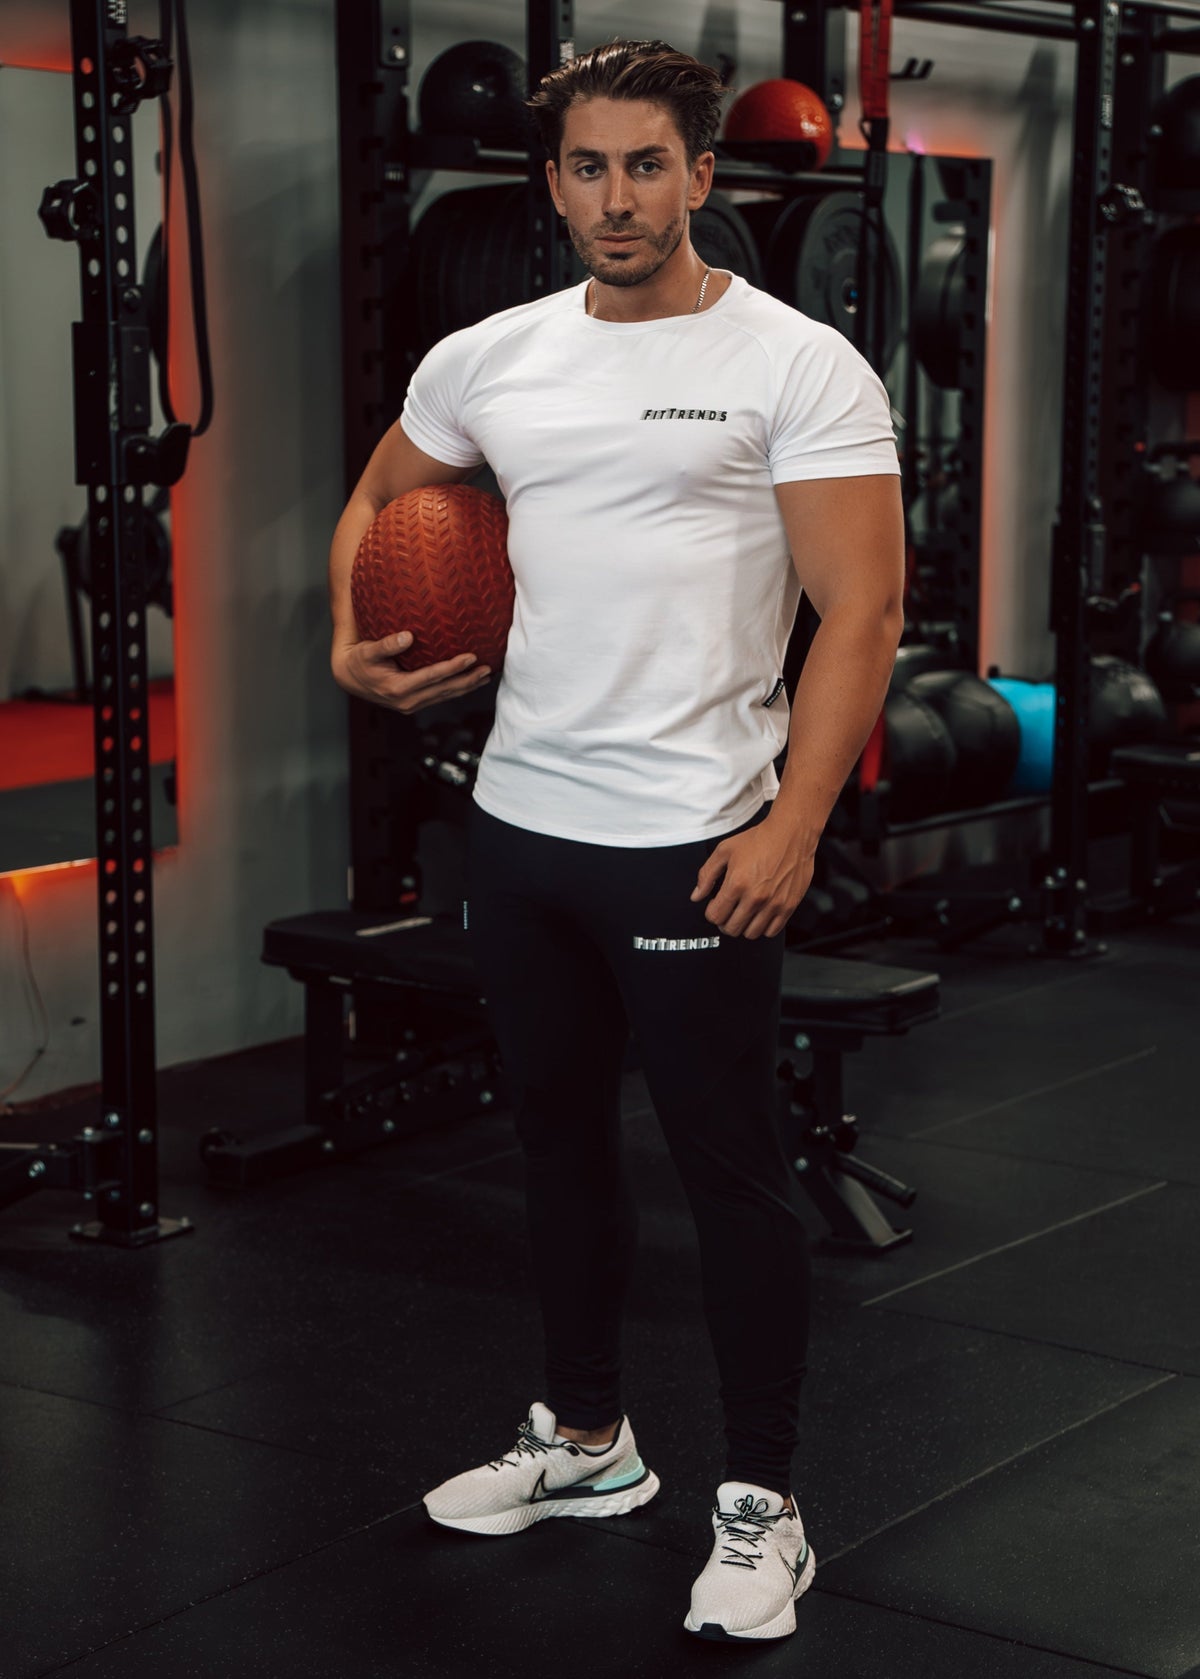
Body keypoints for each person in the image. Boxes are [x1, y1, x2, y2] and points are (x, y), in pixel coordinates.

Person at [328, 39, 904, 1644]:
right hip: (520, 828)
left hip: (695, 840)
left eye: (648, 165)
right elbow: (384, 495)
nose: (615, 198)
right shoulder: (491, 356)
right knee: (558, 1146)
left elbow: (865, 609)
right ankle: (589, 1444)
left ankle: (764, 1504)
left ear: (703, 177)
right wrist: (343, 638)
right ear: (553, 178)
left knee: (730, 1174)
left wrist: (795, 825)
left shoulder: (798, 364)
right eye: (586, 167)